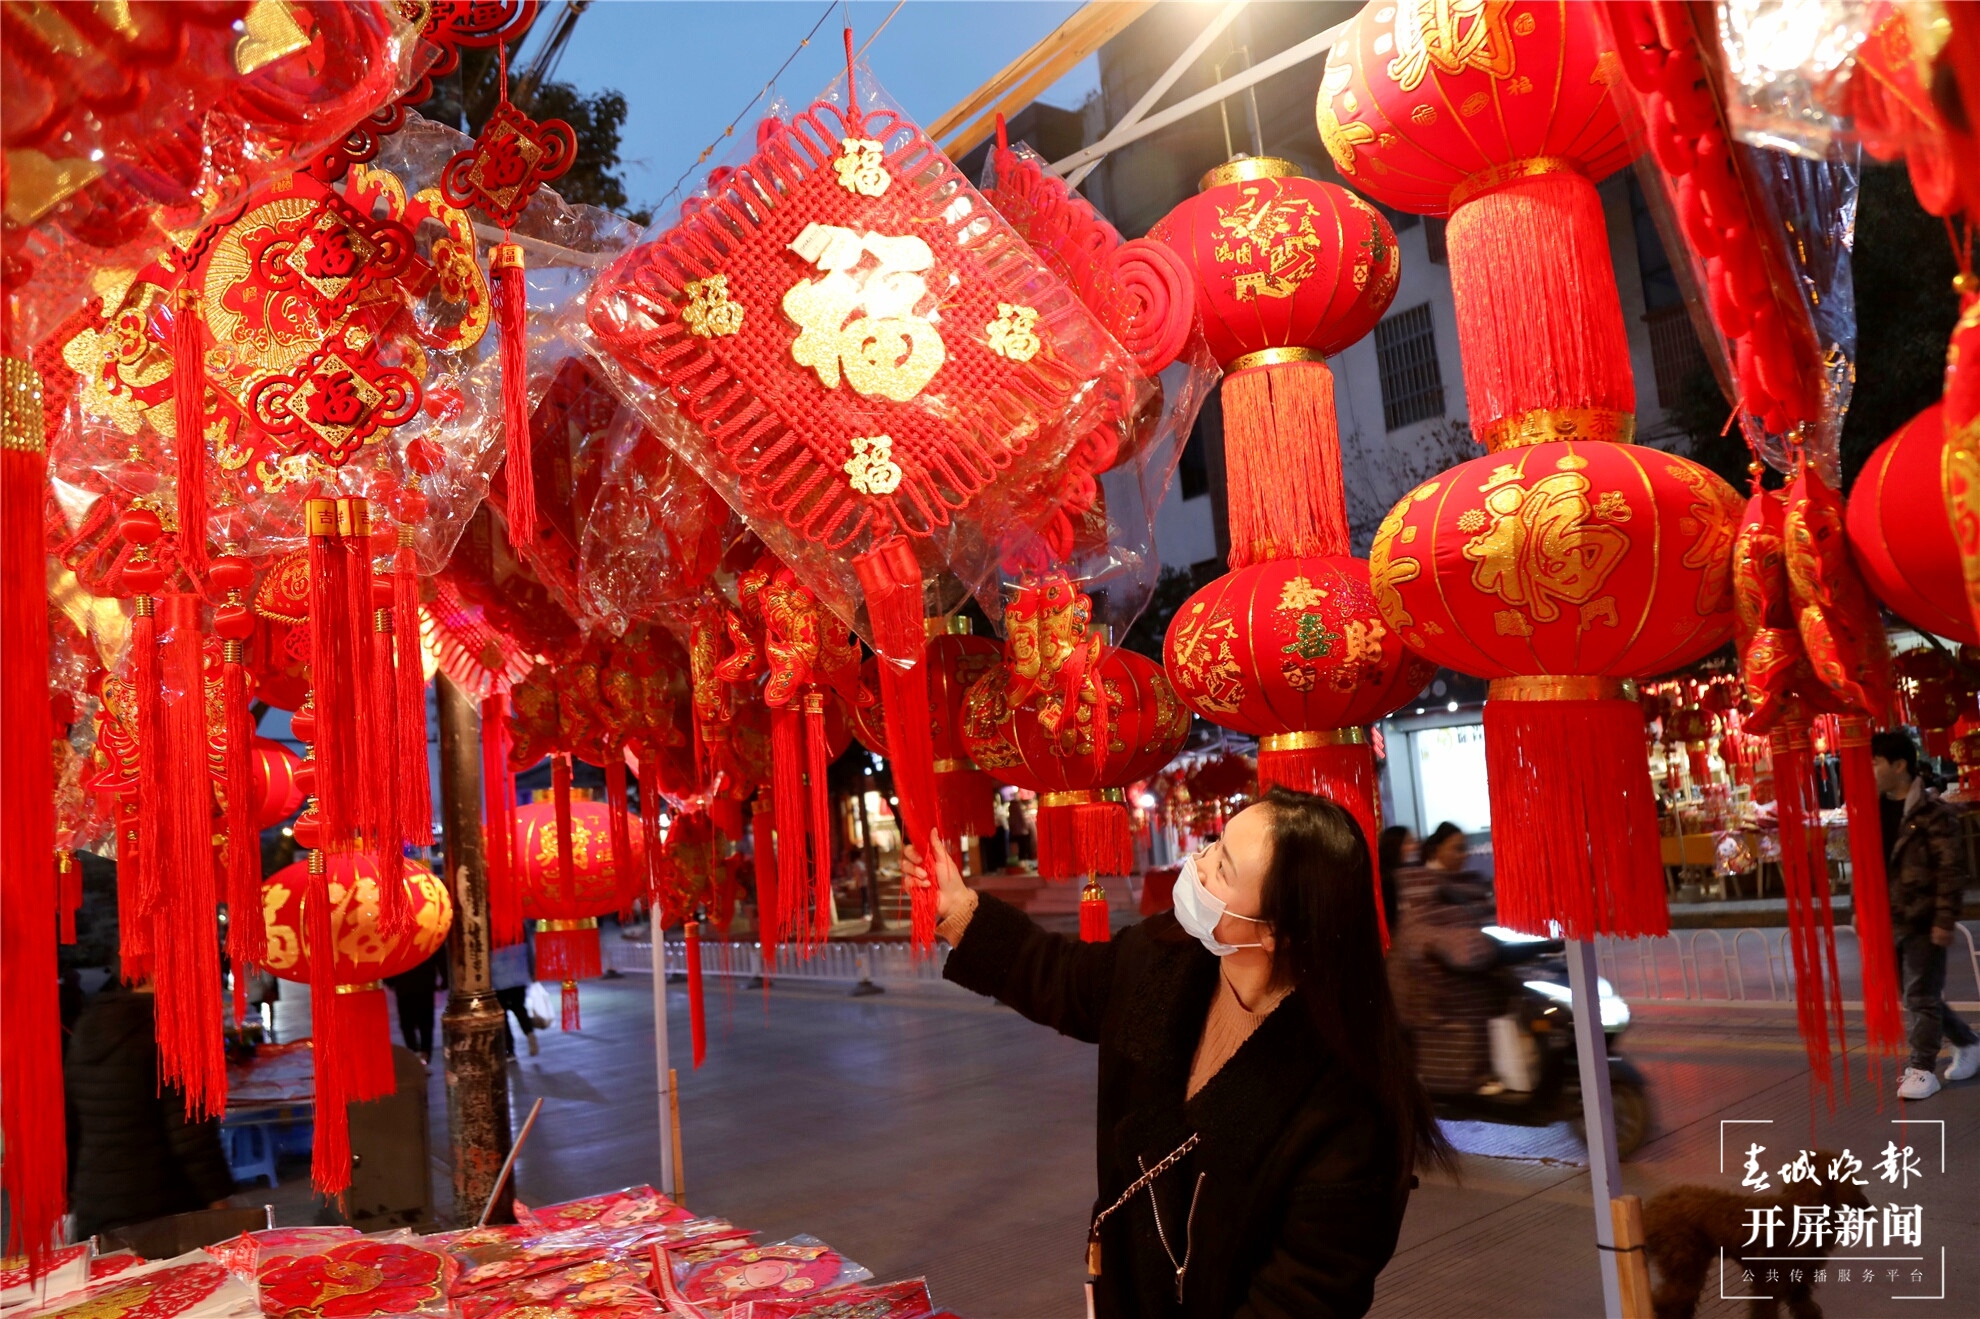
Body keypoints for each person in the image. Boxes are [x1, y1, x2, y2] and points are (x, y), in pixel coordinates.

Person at [906, 785, 1449, 1319]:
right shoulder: (1166, 957)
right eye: (1214, 845)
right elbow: (1069, 980)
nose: (1199, 864)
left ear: (1277, 932)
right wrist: (960, 911)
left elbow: (1305, 1295)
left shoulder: (1349, 1101)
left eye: (1224, 869)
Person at [65, 981, 236, 1240]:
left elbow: (70, 1121)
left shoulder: (89, 1023)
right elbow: (192, 1138)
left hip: (96, 1202)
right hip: (162, 1209)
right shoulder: (172, 1029)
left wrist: (70, 1193)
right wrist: (220, 1203)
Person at [1870, 729, 1977, 1100]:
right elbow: (1869, 867)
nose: (1870, 770)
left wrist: (1944, 919)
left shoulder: (1932, 813)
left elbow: (1950, 869)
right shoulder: (1872, 810)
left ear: (1899, 765)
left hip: (1923, 917)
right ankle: (1969, 1042)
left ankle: (1921, 1069)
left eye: (1875, 762)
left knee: (1920, 996)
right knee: (1918, 995)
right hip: (1888, 918)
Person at [1387, 862, 1506, 1095]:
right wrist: (1493, 947)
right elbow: (1468, 953)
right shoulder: (1431, 919)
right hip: (1448, 1038)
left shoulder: (1408, 923)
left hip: (1419, 1021)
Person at [387, 948, 446, 1065]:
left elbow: (390, 956)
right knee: (426, 1024)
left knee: (407, 1024)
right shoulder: (427, 933)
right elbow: (440, 955)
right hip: (425, 982)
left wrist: (389, 981)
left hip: (403, 984)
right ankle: (424, 1057)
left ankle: (414, 1054)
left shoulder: (397, 935)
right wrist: (445, 980)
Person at [491, 940, 539, 1058]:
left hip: (498, 975)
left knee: (503, 1015)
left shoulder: (490, 926)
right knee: (519, 1008)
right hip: (519, 972)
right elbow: (529, 948)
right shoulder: (518, 924)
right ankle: (530, 1033)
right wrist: (532, 970)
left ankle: (510, 1051)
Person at [1376, 826, 1417, 940]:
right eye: (1408, 842)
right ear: (1395, 845)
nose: (1414, 847)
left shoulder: (1399, 874)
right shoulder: (1386, 879)